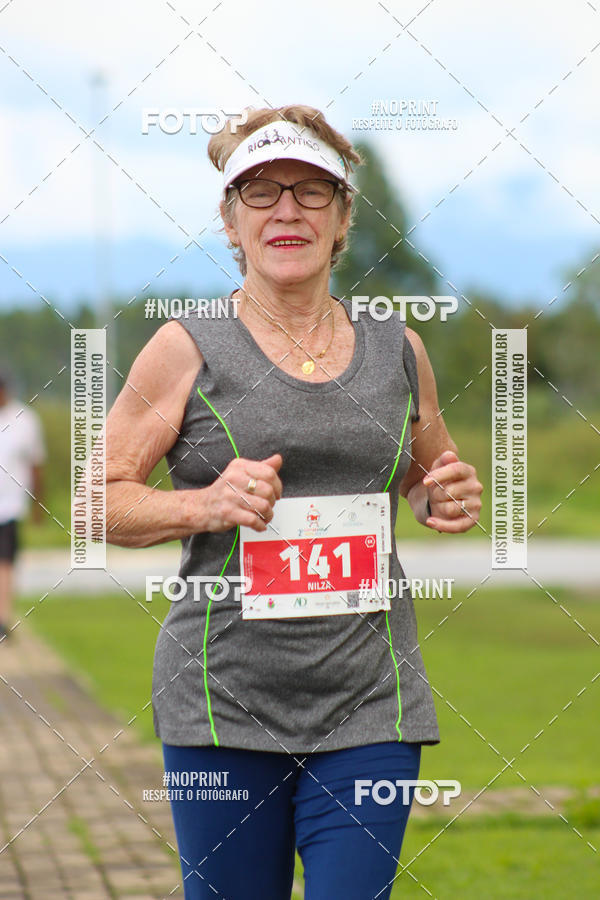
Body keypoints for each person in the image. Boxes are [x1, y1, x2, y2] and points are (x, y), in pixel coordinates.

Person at [105, 104, 483, 899]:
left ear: (344, 216)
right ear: (231, 220)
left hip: (368, 699)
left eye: (312, 192)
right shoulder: (185, 346)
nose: (286, 210)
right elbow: (95, 503)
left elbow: (426, 470)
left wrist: (438, 494)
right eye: (262, 191)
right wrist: (204, 505)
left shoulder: (398, 347)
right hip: (222, 698)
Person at [0, 371, 46, 640]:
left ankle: (3, 619)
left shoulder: (25, 420)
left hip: (10, 506)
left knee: (5, 563)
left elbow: (36, 464)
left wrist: (39, 504)